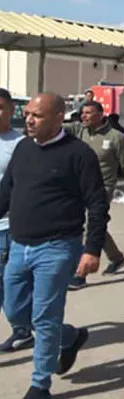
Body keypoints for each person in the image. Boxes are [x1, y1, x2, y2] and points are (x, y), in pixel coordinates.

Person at [0, 92, 109, 399]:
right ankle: (70, 337)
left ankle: (40, 385)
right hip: (19, 245)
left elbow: (97, 204)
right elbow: (6, 193)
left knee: (45, 318)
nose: (29, 120)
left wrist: (92, 250)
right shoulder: (23, 148)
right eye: (28, 114)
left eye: (37, 115)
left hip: (58, 247)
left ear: (59, 117)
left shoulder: (79, 154)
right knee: (15, 310)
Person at [65, 101, 124, 290]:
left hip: (102, 188)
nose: (84, 116)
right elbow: (57, 126)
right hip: (79, 185)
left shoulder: (116, 137)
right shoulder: (79, 130)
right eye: (82, 113)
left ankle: (80, 273)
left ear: (101, 115)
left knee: (88, 225)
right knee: (94, 225)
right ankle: (116, 258)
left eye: (88, 113)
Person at [0, 89, 32, 353]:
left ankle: (25, 330)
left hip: (9, 227)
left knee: (11, 287)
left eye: (0, 107)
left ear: (12, 110)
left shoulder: (21, 144)